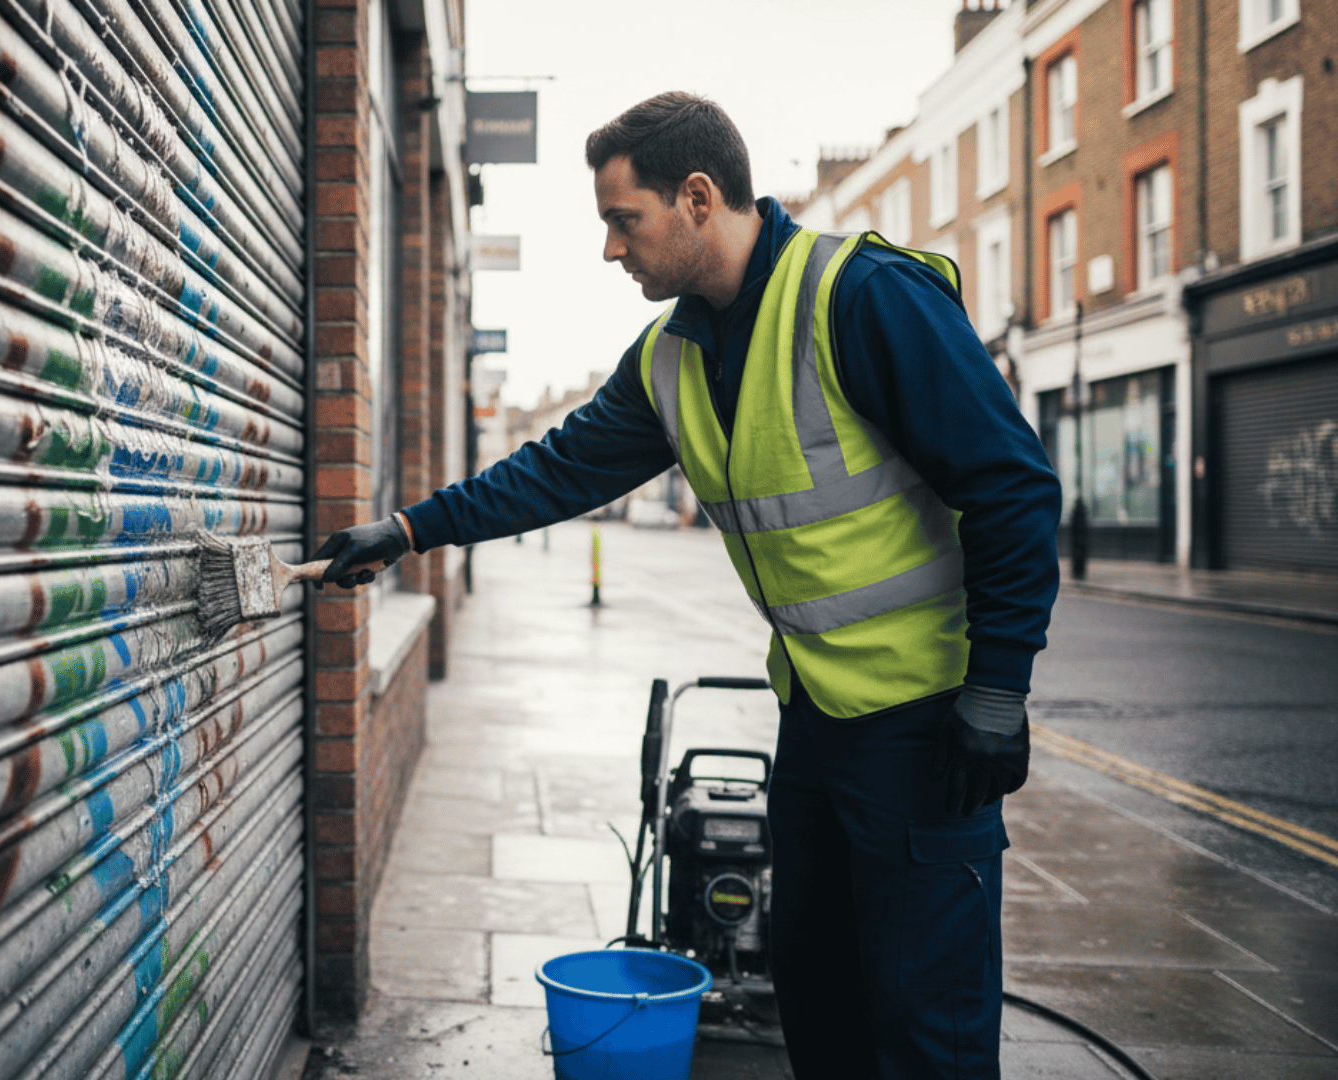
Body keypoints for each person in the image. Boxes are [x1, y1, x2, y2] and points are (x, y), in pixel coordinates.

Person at [309, 92, 1061, 1079]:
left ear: (698, 197)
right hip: (817, 721)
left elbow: (1010, 486)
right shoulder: (672, 357)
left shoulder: (862, 296)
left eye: (625, 220)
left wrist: (998, 690)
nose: (613, 250)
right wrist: (406, 531)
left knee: (929, 1029)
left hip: (930, 730)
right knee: (819, 998)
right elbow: (556, 469)